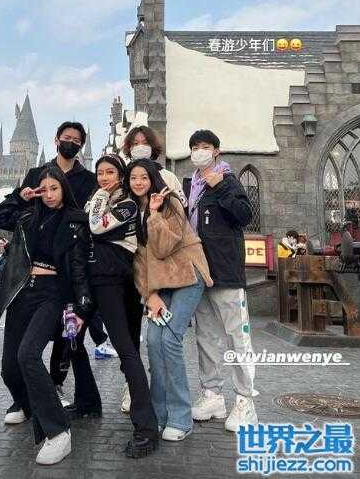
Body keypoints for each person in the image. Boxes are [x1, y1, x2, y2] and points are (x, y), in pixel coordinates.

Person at [0, 166, 101, 465]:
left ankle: (58, 431)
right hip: (22, 292)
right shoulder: (28, 216)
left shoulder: (76, 220)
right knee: (10, 369)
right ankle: (27, 404)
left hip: (53, 294)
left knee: (28, 355)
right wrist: (20, 196)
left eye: (54, 188)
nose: (49, 195)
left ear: (63, 189)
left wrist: (81, 306)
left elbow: (79, 267)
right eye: (43, 189)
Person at [18, 121, 116, 406]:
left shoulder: (89, 180)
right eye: (66, 137)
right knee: (31, 337)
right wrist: (21, 198)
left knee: (69, 332)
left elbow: (95, 217)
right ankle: (30, 394)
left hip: (74, 264)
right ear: (56, 139)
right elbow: (15, 214)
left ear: (81, 145)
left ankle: (58, 384)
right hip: (40, 268)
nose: (70, 142)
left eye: (76, 140)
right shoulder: (37, 174)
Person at [128, 159, 213, 442]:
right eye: (133, 178)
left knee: (170, 340)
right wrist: (149, 295)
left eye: (143, 177)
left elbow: (164, 247)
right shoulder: (131, 212)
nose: (138, 182)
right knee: (153, 341)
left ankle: (180, 417)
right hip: (160, 285)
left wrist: (154, 214)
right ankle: (159, 413)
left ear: (153, 178)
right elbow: (138, 261)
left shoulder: (170, 201)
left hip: (188, 275)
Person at [86, 154, 158, 458]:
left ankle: (146, 427)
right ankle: (86, 401)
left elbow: (95, 226)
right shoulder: (105, 199)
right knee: (72, 338)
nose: (104, 178)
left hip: (112, 280)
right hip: (98, 278)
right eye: (100, 173)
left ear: (121, 175)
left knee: (127, 349)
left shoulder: (126, 204)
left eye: (110, 172)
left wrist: (100, 197)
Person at [187, 129, 258, 432]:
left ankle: (245, 400)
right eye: (195, 147)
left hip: (226, 273)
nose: (199, 151)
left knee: (237, 337)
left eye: (205, 146)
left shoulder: (227, 180)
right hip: (200, 274)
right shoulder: (193, 186)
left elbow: (245, 215)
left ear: (216, 150)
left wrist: (222, 189)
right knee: (206, 337)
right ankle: (212, 394)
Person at [123, 125, 187, 207]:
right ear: (129, 148)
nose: (140, 146)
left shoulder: (168, 176)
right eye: (135, 143)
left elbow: (181, 205)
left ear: (152, 146)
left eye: (145, 143)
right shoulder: (124, 177)